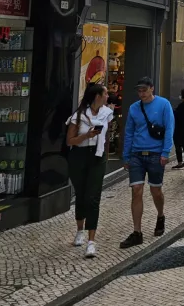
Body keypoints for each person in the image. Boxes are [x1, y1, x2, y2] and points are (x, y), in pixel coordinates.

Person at [119, 76, 175, 249]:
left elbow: (169, 128)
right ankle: (137, 232)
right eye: (139, 90)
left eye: (144, 90)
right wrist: (126, 155)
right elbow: (129, 132)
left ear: (152, 88)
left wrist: (165, 152)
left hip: (155, 154)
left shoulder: (164, 104)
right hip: (137, 154)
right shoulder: (134, 108)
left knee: (155, 190)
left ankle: (160, 215)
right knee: (136, 190)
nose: (141, 93)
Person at [66, 83, 113, 258]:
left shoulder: (107, 114)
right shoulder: (78, 116)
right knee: (81, 194)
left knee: (93, 197)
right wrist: (87, 135)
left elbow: (107, 137)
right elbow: (69, 141)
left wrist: (105, 155)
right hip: (79, 156)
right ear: (97, 96)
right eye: (106, 93)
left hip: (97, 157)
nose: (108, 96)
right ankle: (80, 230)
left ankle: (91, 241)